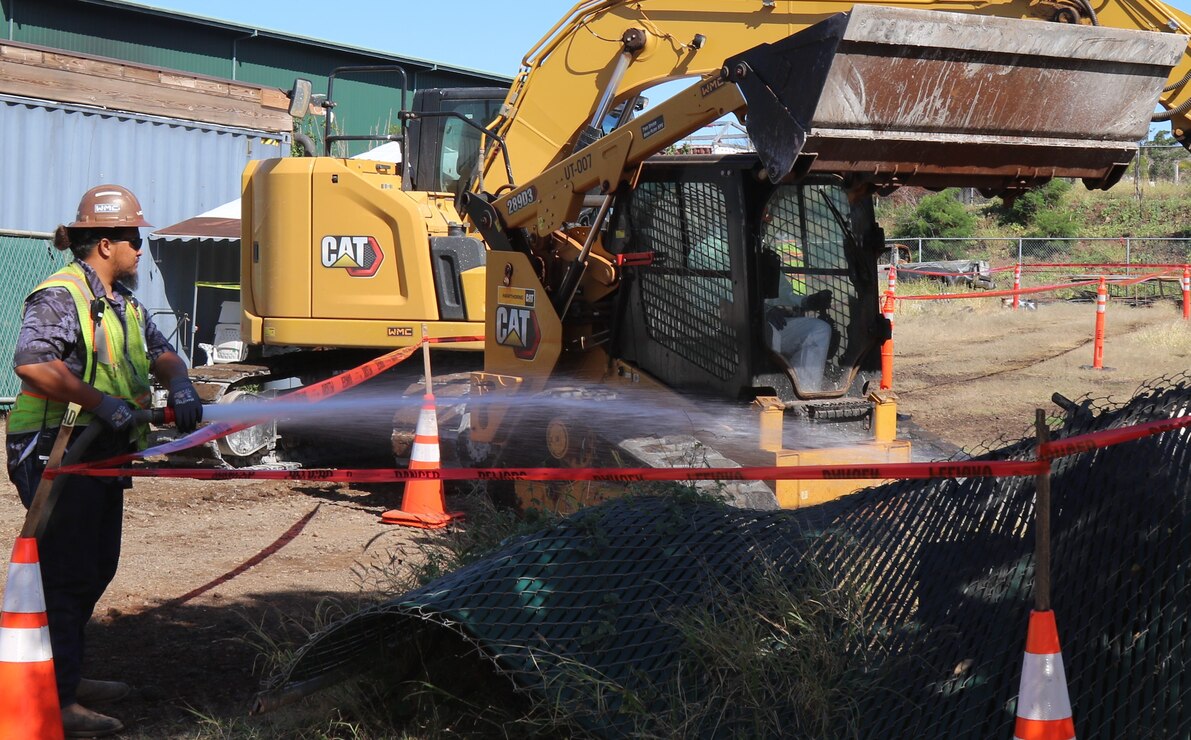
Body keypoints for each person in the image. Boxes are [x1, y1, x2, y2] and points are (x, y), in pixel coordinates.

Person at [5, 185, 203, 737]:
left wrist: (181, 384)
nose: (141, 249)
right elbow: (33, 366)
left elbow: (162, 351)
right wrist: (101, 402)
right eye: (135, 239)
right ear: (106, 243)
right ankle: (57, 697)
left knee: (96, 567)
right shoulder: (61, 295)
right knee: (67, 575)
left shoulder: (124, 303)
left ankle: (62, 672)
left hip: (101, 452)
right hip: (54, 449)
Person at [764, 258, 832, 393]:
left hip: (774, 321)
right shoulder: (725, 260)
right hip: (742, 327)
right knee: (771, 334)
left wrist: (807, 302)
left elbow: (784, 294)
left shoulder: (763, 263)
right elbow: (728, 299)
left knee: (819, 329)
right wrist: (763, 310)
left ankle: (803, 392)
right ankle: (770, 388)